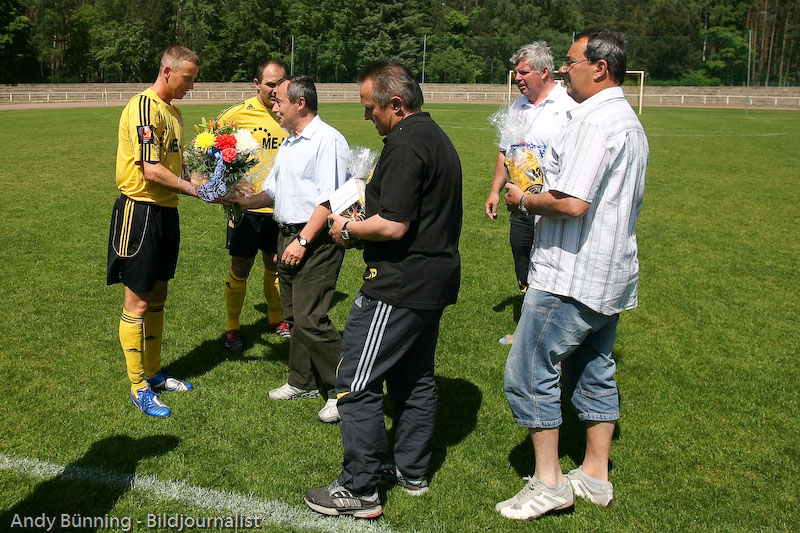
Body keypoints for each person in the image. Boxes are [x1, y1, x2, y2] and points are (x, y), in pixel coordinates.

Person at [496, 28, 649, 520]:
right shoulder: (628, 119)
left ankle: (549, 482)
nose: (564, 69)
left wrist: (524, 198)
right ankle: (595, 474)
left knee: (529, 366)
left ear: (599, 67)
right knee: (594, 365)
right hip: (611, 273)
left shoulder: (592, 121)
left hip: (571, 273)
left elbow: (572, 201)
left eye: (571, 61)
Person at [304, 58, 462, 519]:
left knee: (355, 380)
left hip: (398, 286)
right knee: (414, 378)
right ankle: (411, 471)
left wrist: (346, 229)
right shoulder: (435, 136)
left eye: (369, 107)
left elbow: (393, 226)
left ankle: (360, 487)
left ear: (395, 103)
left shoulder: (406, 144)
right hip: (433, 280)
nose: (366, 116)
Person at [234, 76, 349, 423]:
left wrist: (302, 241)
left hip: (314, 240)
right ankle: (303, 381)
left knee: (313, 319)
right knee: (295, 318)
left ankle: (344, 391)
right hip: (285, 235)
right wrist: (240, 201)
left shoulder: (327, 140)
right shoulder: (289, 142)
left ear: (300, 103)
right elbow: (272, 191)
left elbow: (330, 200)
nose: (274, 107)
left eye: (279, 102)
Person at [107, 45, 202, 418]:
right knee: (138, 302)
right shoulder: (144, 107)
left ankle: (153, 372)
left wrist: (216, 182)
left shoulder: (173, 112)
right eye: (187, 78)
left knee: (159, 294)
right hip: (140, 212)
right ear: (167, 71)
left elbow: (176, 168)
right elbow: (150, 170)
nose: (191, 86)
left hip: (165, 212)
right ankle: (138, 386)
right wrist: (195, 189)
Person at [484, 42, 576, 346]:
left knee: (552, 269)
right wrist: (495, 190)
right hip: (520, 206)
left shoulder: (568, 105)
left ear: (545, 71)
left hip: (552, 205)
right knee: (522, 259)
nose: (518, 78)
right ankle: (529, 328)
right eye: (515, 73)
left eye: (523, 72)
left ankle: (556, 337)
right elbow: (504, 152)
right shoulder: (517, 107)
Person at [217, 60, 291, 354]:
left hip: (280, 206)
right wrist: (223, 184)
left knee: (275, 264)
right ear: (256, 83)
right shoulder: (237, 114)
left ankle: (275, 320)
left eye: (281, 83)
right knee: (241, 266)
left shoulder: (290, 110)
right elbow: (208, 144)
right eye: (270, 84)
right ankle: (232, 326)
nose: (275, 90)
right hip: (245, 209)